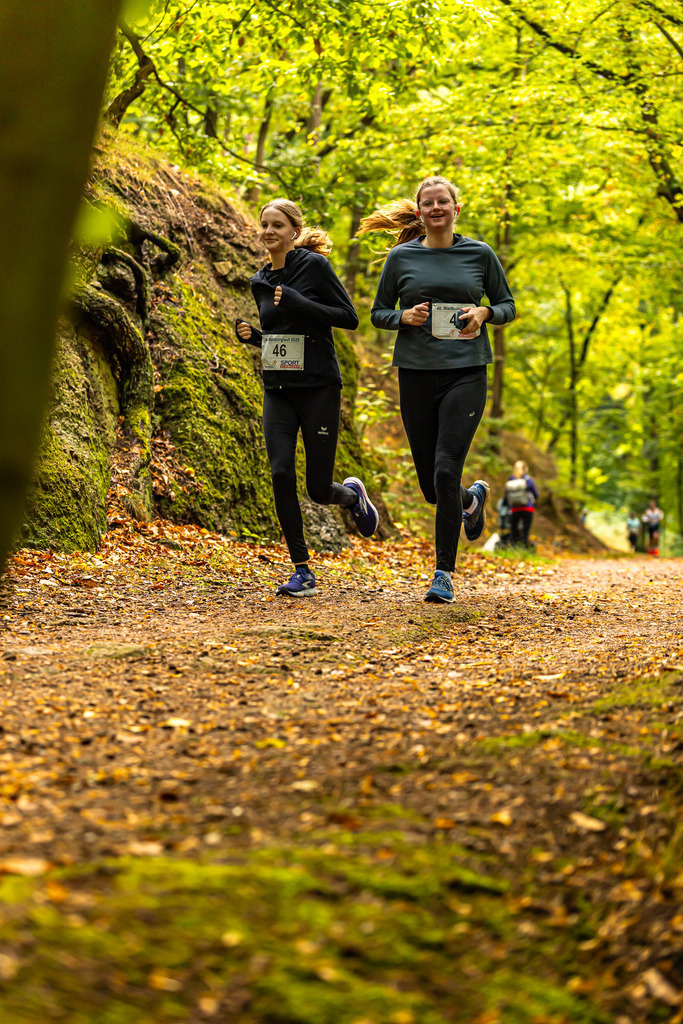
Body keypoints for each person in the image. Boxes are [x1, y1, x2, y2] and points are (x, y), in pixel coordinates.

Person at [360, 175, 516, 603]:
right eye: (428, 203)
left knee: (446, 470)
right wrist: (403, 317)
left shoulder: (479, 253)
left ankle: (443, 573)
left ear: (455, 209)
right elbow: (377, 312)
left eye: (443, 201)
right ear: (419, 212)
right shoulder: (402, 257)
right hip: (415, 373)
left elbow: (507, 305)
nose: (436, 208)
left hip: (466, 372)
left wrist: (484, 313)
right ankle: (470, 500)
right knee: (433, 487)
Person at [235, 198, 378, 597]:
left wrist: (300, 301)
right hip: (278, 389)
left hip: (318, 387)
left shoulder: (314, 267)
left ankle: (351, 496)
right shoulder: (259, 281)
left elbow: (348, 317)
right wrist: (256, 338)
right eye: (264, 224)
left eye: (277, 225)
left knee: (317, 489)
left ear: (294, 232)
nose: (268, 231)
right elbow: (283, 337)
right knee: (280, 473)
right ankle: (302, 570)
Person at [504, 460, 539, 548]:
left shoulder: (511, 479)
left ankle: (512, 547)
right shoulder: (528, 480)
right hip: (527, 508)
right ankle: (524, 547)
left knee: (513, 530)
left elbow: (506, 495)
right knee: (525, 531)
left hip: (514, 509)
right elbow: (536, 495)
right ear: (525, 468)